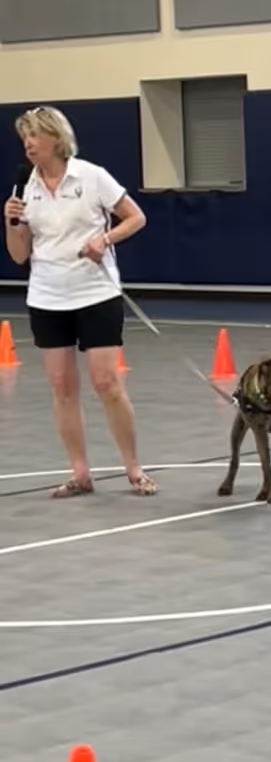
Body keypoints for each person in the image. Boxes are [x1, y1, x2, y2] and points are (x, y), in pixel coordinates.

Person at [3, 106, 157, 498]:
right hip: (46, 296)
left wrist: (103, 240)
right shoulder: (25, 190)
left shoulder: (91, 176)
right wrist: (11, 222)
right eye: (24, 137)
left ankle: (134, 468)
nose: (28, 144)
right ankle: (80, 472)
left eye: (35, 135)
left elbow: (135, 217)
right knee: (61, 386)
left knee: (106, 382)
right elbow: (19, 255)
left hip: (95, 292)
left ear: (56, 137)